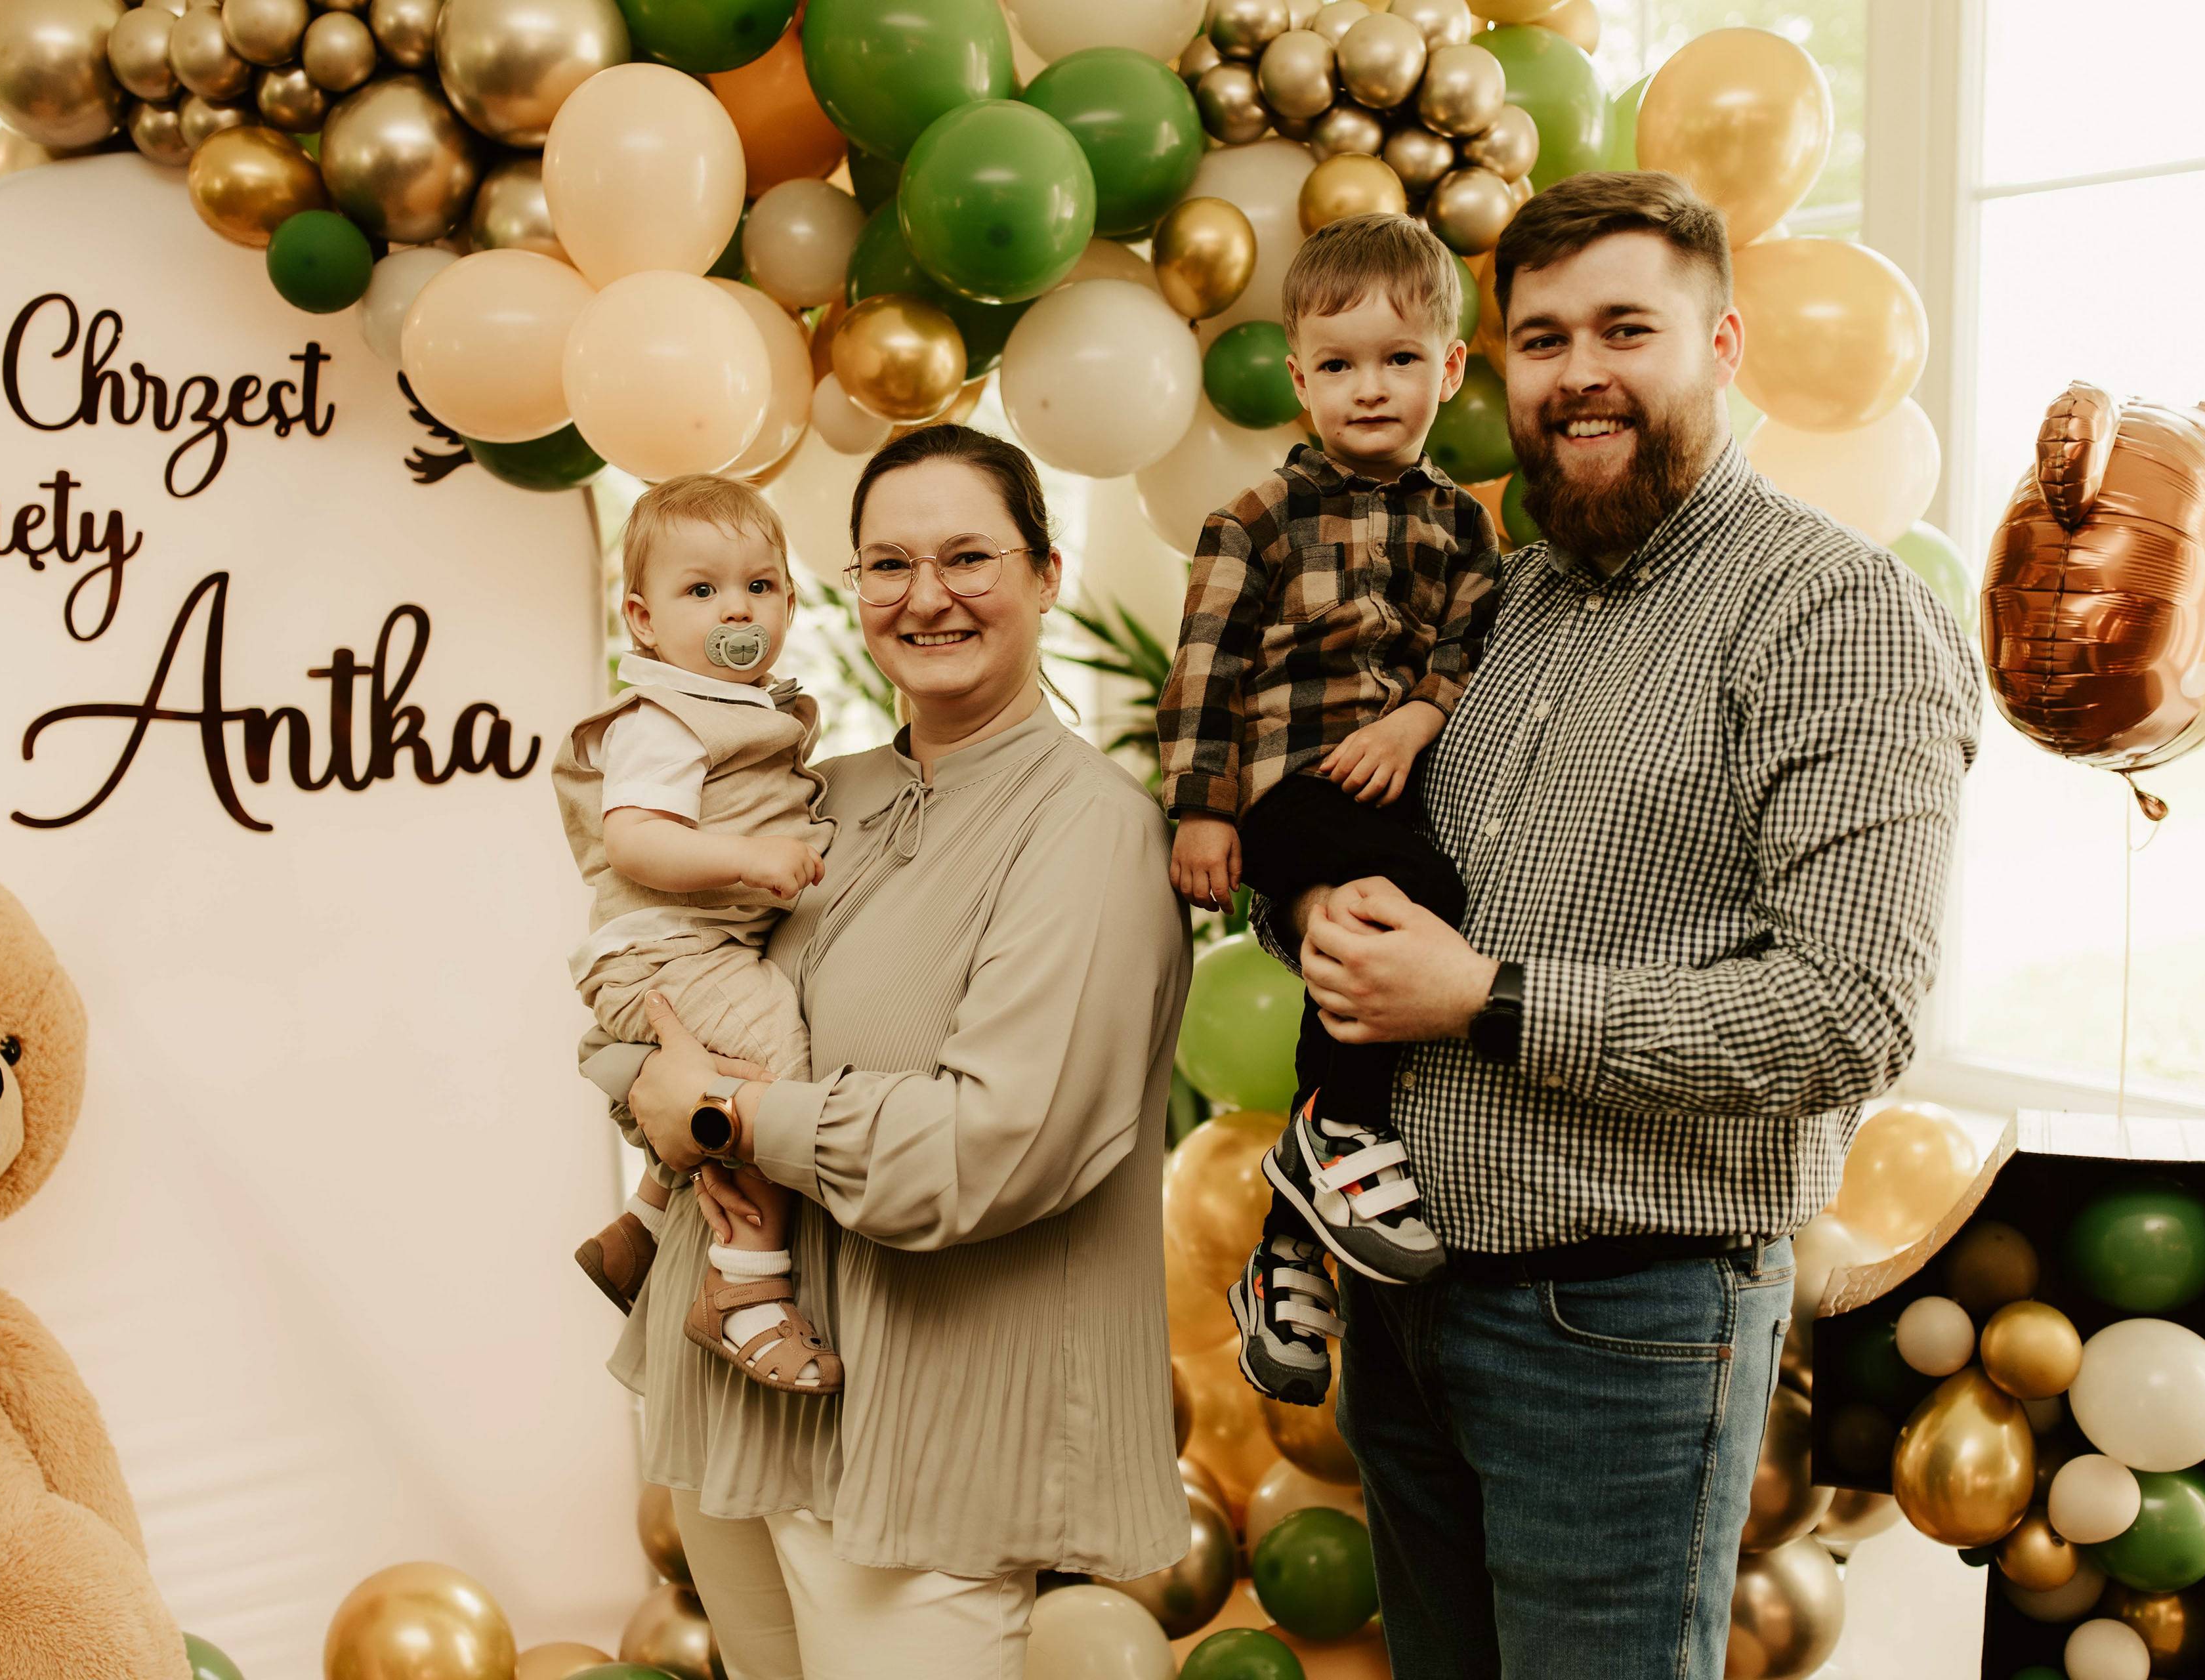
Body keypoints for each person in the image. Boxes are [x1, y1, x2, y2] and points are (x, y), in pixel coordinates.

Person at [1261, 172, 1981, 1678]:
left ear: (1722, 345)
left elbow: (1851, 1008)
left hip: (1619, 1332)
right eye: (1543, 339)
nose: (1579, 371)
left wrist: (1489, 998)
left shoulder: (1832, 611)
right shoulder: (1495, 604)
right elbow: (1366, 856)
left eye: (1625, 329)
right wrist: (1320, 909)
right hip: (1402, 1306)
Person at [579, 427, 1192, 1680]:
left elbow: (986, 1149)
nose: (927, 596)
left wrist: (728, 1115)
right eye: (889, 565)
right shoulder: (819, 793)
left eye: (968, 557)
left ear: (1046, 573)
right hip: (741, 1411)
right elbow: (651, 984)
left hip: (927, 1446)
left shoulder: (1094, 832)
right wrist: (643, 1084)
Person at [1156, 213, 1502, 1406]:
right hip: (1281, 791)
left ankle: (1291, 1251)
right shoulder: (1253, 520)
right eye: (1341, 365)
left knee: (1369, 947)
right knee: (1416, 901)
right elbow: (1202, 671)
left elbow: (1465, 649)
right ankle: (1339, 1143)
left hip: (1381, 791)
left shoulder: (1463, 524)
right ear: (1301, 380)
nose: (1371, 388)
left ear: (1449, 369)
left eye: (1401, 360)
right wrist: (1203, 813)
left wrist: (1418, 720)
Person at [553, 474, 841, 1393]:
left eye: (760, 586)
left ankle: (639, 1232)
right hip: (666, 950)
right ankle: (744, 1289)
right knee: (776, 1074)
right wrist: (747, 857)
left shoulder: (745, 710)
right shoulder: (665, 720)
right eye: (702, 589)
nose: (737, 609)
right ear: (642, 619)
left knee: (726, 1079)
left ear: (790, 601)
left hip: (685, 947)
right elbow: (635, 838)